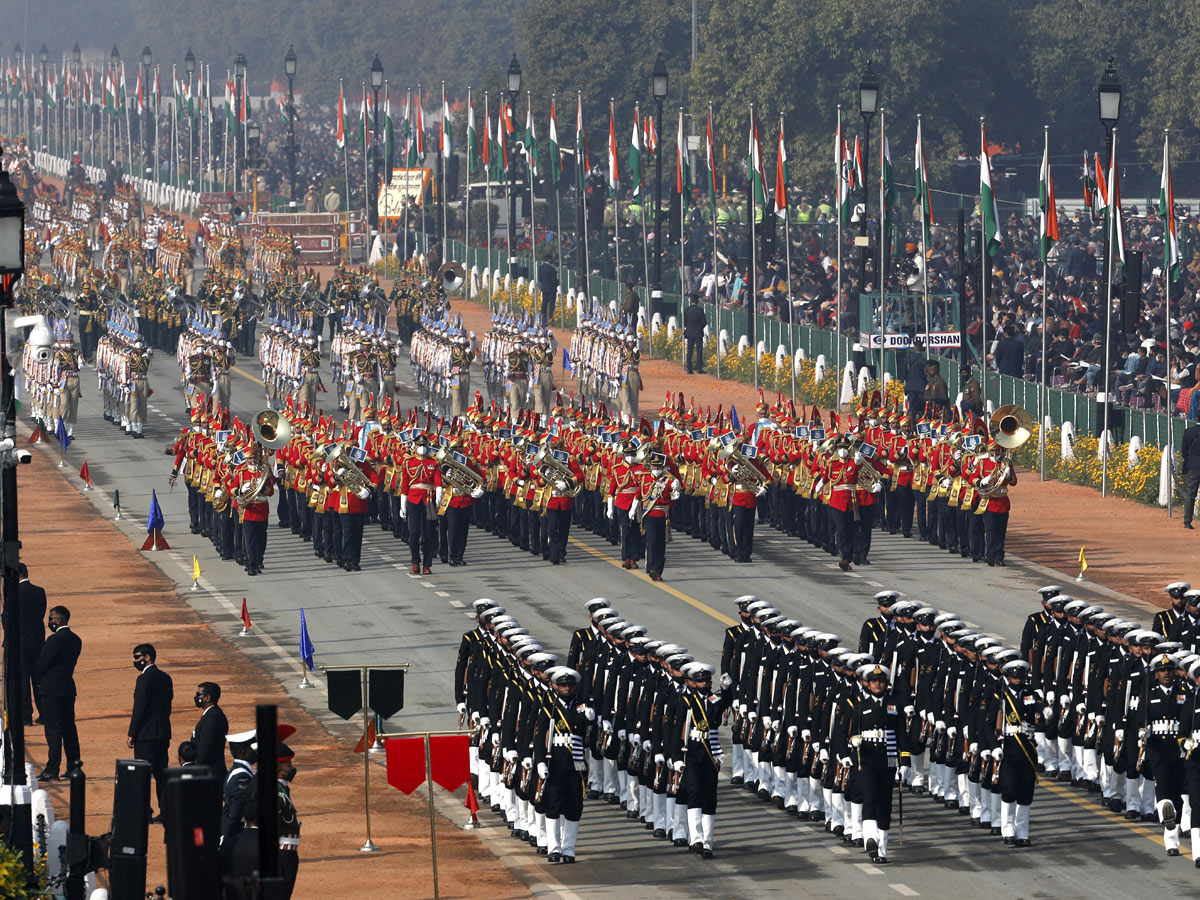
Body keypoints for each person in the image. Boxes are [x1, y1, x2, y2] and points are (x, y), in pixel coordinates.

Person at [847, 664, 910, 864]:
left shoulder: (894, 705)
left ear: (886, 684)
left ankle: (881, 849)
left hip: (889, 758)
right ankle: (871, 839)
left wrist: (905, 760)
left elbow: (902, 734)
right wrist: (852, 742)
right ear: (868, 684)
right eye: (874, 681)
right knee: (869, 797)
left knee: (885, 803)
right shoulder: (861, 706)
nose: (877, 684)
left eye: (881, 681)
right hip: (866, 759)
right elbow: (851, 733)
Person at [128, 643, 174, 822]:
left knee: (142, 776)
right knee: (162, 774)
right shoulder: (165, 677)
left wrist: (132, 732)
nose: (134, 660)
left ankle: (144, 813)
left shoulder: (143, 679)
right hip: (162, 733)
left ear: (147, 657)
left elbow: (139, 708)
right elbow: (167, 705)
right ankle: (166, 812)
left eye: (137, 657)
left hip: (146, 735)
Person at [35, 606, 82, 781]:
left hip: (51, 689)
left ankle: (52, 769)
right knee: (69, 729)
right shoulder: (76, 639)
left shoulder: (54, 640)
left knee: (53, 730)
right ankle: (73, 766)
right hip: (67, 687)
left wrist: (39, 679)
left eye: (51, 618)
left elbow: (42, 663)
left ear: (59, 620)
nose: (49, 622)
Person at [15, 563, 47, 725]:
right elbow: (41, 613)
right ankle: (43, 714)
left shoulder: (13, 593)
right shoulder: (40, 591)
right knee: (38, 678)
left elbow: (8, 617)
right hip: (37, 641)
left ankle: (26, 716)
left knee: (22, 680)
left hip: (19, 642)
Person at [222, 730, 257, 844]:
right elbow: (237, 811)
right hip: (237, 836)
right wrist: (227, 838)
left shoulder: (238, 771)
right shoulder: (242, 777)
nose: (256, 751)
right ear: (243, 752)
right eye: (253, 749)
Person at [192, 681, 229, 783]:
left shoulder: (212, 718)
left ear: (207, 698)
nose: (196, 697)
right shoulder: (212, 714)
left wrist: (196, 772)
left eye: (199, 695)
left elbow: (205, 749)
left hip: (209, 775)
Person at [1181, 420, 1200, 529]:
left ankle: (1187, 521)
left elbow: (1184, 451)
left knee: (1190, 495)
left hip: (1193, 466)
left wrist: (1189, 460)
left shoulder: (1189, 432)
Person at [683, 293, 708, 375]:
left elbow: (684, 322)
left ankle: (689, 369)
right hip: (698, 332)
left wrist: (689, 327)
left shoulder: (686, 310)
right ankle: (699, 368)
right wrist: (699, 327)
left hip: (689, 332)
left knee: (689, 350)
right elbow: (704, 322)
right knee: (699, 350)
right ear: (697, 301)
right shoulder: (700, 310)